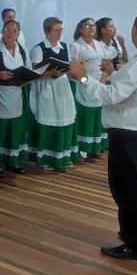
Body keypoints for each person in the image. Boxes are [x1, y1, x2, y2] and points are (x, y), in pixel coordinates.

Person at [69, 10, 137, 261]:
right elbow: (135, 86)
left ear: (135, 30)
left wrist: (83, 76)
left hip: (131, 138)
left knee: (127, 191)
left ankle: (135, 244)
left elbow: (111, 95)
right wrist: (113, 71)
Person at [29, 18, 78, 171]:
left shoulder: (64, 46)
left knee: (64, 119)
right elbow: (33, 72)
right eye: (56, 30)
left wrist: (73, 70)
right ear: (46, 31)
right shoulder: (39, 48)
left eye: (61, 30)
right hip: (47, 87)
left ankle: (62, 156)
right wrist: (50, 73)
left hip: (62, 87)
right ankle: (45, 158)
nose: (59, 33)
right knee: (48, 120)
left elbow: (68, 66)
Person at [0, 20, 31, 173]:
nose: (10, 33)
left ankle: (12, 161)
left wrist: (27, 79)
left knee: (14, 129)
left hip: (16, 93)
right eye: (7, 29)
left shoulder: (21, 49)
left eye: (14, 31)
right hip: (0, 93)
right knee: (0, 129)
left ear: (18, 34)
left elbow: (28, 68)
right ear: (2, 31)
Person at [70, 18, 110, 160]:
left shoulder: (100, 45)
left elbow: (106, 65)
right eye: (87, 25)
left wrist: (103, 81)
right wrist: (82, 79)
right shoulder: (76, 46)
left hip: (99, 84)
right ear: (80, 29)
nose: (91, 28)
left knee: (97, 117)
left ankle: (95, 147)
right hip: (83, 85)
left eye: (93, 26)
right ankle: (82, 148)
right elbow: (72, 68)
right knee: (85, 116)